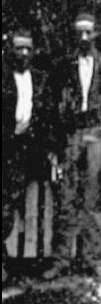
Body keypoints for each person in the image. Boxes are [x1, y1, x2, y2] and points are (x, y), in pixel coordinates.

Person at [54, 12, 101, 270]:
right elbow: (53, 106)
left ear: (95, 34)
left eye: (88, 32)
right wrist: (57, 144)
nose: (84, 37)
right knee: (67, 198)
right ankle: (60, 260)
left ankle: (92, 260)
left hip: (97, 132)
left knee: (92, 197)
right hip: (72, 134)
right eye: (79, 32)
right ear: (74, 35)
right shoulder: (64, 66)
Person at [3, 30, 53, 259]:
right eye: (18, 48)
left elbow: (46, 116)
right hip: (5, 146)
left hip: (27, 148)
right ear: (9, 51)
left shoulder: (40, 78)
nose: (23, 53)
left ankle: (22, 262)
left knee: (21, 204)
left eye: (28, 49)